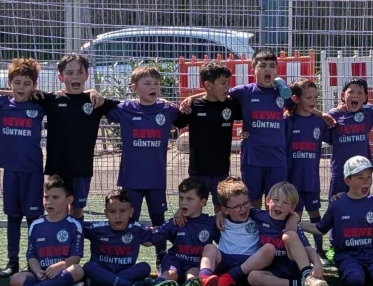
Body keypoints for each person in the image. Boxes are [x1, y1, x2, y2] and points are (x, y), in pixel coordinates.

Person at [0, 58, 48, 281]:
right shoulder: (0, 103)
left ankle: (34, 260)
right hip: (10, 170)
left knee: (33, 217)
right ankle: (12, 261)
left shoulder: (40, 104)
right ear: (9, 82)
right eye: (17, 82)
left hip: (33, 170)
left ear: (34, 86)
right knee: (12, 216)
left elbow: (61, 97)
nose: (21, 88)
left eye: (27, 83)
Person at [107, 65, 181, 226]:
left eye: (156, 83)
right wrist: (92, 92)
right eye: (147, 83)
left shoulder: (167, 109)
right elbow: (100, 107)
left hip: (156, 178)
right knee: (130, 220)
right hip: (131, 179)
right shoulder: (125, 109)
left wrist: (189, 101)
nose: (153, 87)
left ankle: (160, 244)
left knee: (158, 219)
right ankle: (129, 243)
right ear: (135, 88)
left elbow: (189, 114)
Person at [42, 54, 115, 215]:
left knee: (77, 210)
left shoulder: (95, 101)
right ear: (61, 77)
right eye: (69, 73)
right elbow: (22, 93)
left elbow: (132, 105)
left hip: (82, 167)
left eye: (80, 72)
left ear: (86, 75)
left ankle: (77, 232)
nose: (75, 76)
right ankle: (58, 233)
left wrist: (161, 102)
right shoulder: (52, 100)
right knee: (56, 210)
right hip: (57, 167)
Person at [195, 177, 284, 286]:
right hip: (225, 261)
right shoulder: (219, 221)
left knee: (269, 248)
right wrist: (179, 213)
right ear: (225, 209)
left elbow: (283, 216)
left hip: (250, 264)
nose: (243, 209)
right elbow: (195, 219)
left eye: (246, 203)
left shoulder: (257, 216)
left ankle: (229, 278)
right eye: (237, 206)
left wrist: (294, 218)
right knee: (209, 248)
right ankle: (204, 280)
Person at [315, 156, 373, 286]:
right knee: (355, 280)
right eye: (360, 178)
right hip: (347, 256)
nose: (366, 181)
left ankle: (369, 271)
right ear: (348, 181)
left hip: (371, 255)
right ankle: (355, 271)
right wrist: (298, 224)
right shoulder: (337, 204)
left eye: (369, 177)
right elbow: (321, 228)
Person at [5, 176, 87, 286]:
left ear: (69, 200)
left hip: (62, 272)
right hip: (41, 274)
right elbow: (31, 255)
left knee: (78, 270)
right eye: (46, 197)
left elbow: (75, 258)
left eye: (55, 197)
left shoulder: (75, 225)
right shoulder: (35, 225)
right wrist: (37, 271)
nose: (49, 202)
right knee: (15, 279)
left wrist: (58, 266)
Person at [233, 48, 296, 204]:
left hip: (277, 158)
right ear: (253, 70)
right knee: (253, 201)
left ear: (277, 71)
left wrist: (321, 115)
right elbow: (218, 94)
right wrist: (192, 98)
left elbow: (301, 108)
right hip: (252, 158)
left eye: (272, 66)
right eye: (262, 66)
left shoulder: (282, 93)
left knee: (276, 201)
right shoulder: (245, 91)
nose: (268, 69)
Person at [283, 78, 335, 251]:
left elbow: (333, 137)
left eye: (316, 97)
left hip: (311, 178)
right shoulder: (288, 121)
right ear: (297, 99)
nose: (313, 101)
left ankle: (319, 250)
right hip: (292, 180)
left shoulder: (319, 122)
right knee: (294, 215)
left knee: (315, 213)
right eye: (309, 97)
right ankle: (299, 250)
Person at [178, 63, 239, 197]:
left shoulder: (231, 104)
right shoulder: (194, 106)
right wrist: (185, 104)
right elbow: (177, 122)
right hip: (198, 169)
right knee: (196, 203)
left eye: (229, 82)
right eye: (223, 83)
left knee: (220, 204)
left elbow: (249, 115)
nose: (228, 86)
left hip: (222, 169)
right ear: (208, 85)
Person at [82, 187, 155, 286]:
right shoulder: (96, 228)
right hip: (102, 270)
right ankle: (131, 285)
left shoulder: (137, 229)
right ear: (106, 213)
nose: (117, 216)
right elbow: (74, 229)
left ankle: (101, 283)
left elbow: (156, 237)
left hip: (125, 271)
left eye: (123, 211)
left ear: (131, 212)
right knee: (89, 267)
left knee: (145, 267)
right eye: (112, 211)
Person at [155, 178, 218, 286]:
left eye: (189, 199)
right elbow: (153, 238)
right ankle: (159, 284)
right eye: (181, 198)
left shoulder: (210, 223)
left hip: (195, 263)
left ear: (202, 202)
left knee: (193, 272)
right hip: (174, 260)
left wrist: (221, 214)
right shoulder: (175, 222)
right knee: (171, 273)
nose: (183, 202)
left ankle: (191, 285)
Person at [326, 78, 373, 198]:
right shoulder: (333, 115)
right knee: (336, 203)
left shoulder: (369, 113)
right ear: (343, 95)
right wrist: (322, 114)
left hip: (363, 172)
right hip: (340, 171)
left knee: (361, 203)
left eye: (359, 93)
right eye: (351, 92)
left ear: (365, 97)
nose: (355, 95)